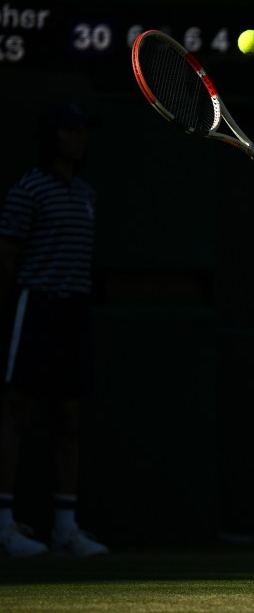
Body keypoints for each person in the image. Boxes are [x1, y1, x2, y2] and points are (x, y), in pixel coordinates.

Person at [0, 102, 109, 558]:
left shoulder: (86, 193)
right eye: (71, 130)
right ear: (53, 137)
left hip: (73, 312)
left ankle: (65, 527)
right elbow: (7, 258)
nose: (79, 138)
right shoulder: (29, 190)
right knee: (16, 410)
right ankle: (4, 525)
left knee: (69, 417)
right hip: (35, 307)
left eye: (84, 130)